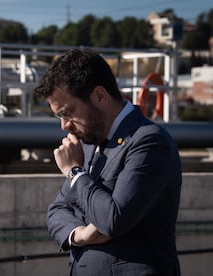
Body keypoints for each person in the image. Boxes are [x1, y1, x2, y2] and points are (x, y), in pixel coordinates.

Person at [34, 48, 182, 275]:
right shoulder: (88, 142)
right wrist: (79, 234)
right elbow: (57, 210)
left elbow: (113, 219)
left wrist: (74, 172)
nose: (64, 126)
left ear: (100, 96)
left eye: (68, 113)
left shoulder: (149, 142)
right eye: (59, 117)